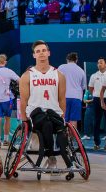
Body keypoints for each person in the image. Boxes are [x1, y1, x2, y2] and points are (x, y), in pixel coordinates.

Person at [19, 40, 71, 169]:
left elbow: (62, 99)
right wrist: (24, 120)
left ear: (48, 53)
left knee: (58, 127)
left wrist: (63, 116)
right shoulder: (27, 76)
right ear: (34, 55)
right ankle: (51, 157)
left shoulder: (59, 75)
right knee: (46, 124)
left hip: (54, 113)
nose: (41, 53)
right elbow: (24, 100)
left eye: (43, 50)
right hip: (35, 114)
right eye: (38, 51)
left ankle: (65, 155)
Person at [0, 54, 19, 147]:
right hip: (7, 99)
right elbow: (19, 80)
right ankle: (6, 140)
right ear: (5, 62)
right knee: (7, 119)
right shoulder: (9, 71)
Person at [58, 52, 86, 131]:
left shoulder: (61, 67)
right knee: (74, 120)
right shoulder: (81, 71)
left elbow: (56, 81)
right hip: (76, 98)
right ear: (76, 60)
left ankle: (64, 140)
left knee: (63, 119)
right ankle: (72, 141)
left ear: (67, 59)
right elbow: (83, 87)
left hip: (64, 97)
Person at [88, 58, 106, 150]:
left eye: (101, 63)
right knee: (96, 121)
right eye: (98, 63)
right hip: (97, 100)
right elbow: (90, 88)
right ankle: (96, 143)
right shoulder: (94, 76)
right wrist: (94, 96)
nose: (99, 64)